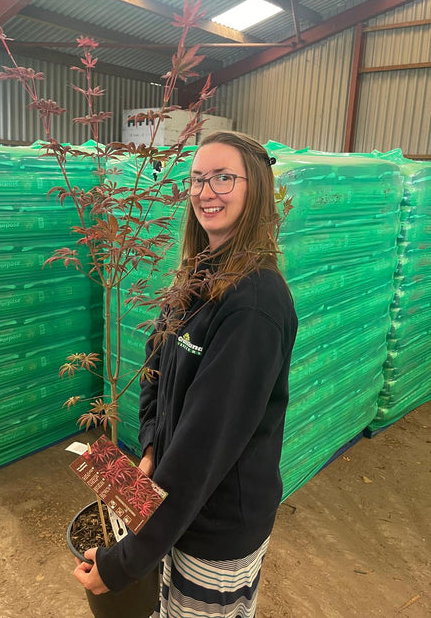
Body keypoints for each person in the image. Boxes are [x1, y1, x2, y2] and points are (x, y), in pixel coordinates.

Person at [74, 131, 298, 617]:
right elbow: (156, 366)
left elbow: (202, 449)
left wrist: (120, 564)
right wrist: (152, 445)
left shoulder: (254, 306)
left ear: (254, 188)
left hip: (213, 528)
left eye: (223, 178)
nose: (205, 191)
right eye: (197, 179)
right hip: (173, 507)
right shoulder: (196, 277)